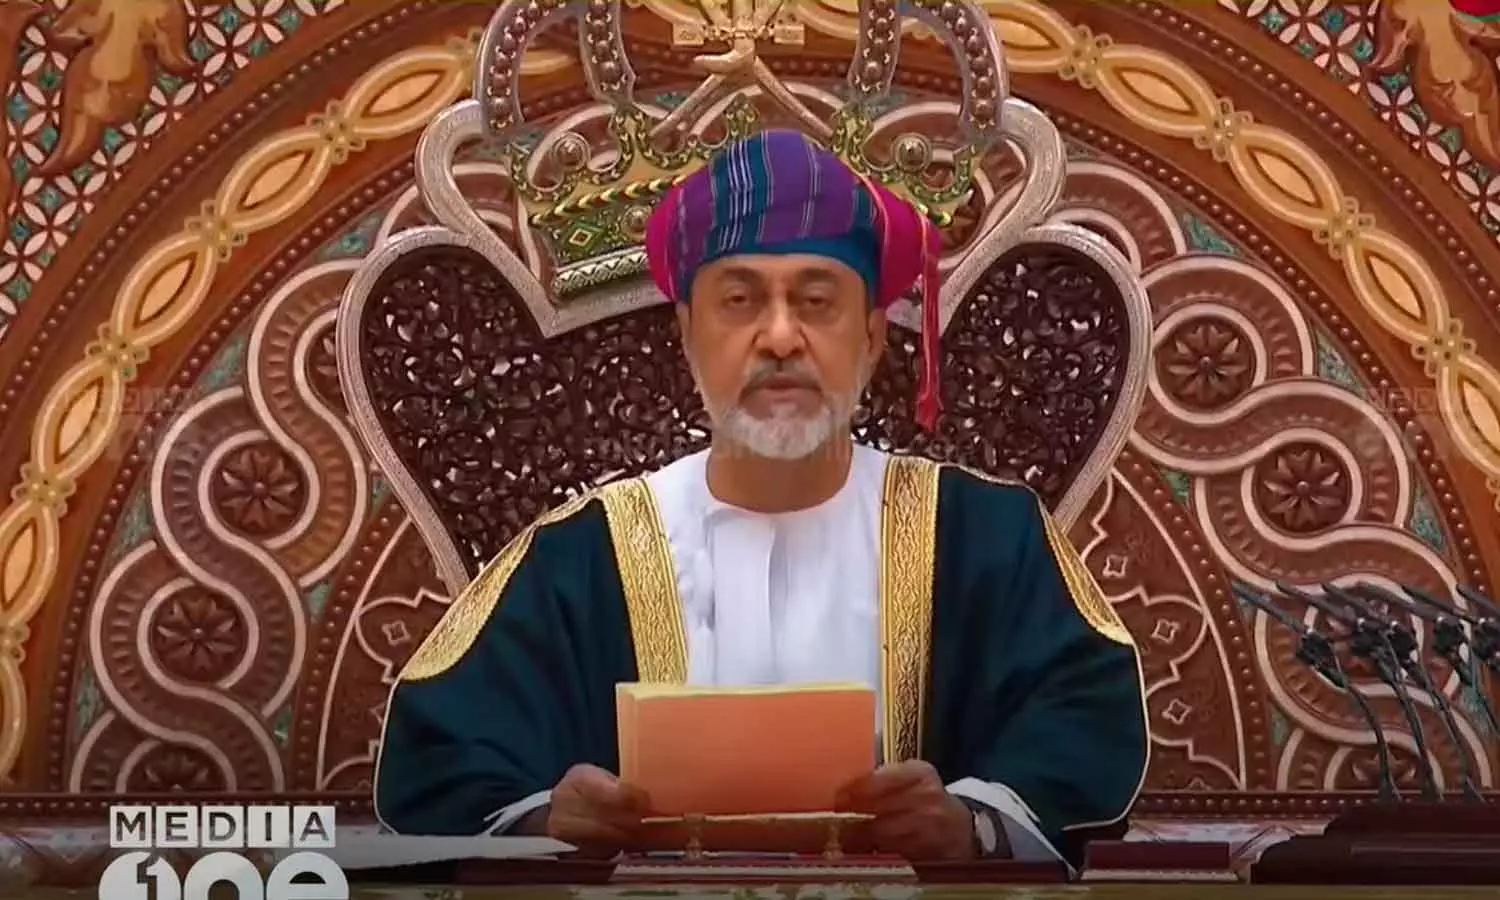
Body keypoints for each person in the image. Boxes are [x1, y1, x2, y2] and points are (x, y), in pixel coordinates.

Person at [373, 129, 1148, 869]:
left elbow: (1081, 720)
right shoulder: (580, 556)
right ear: (687, 335)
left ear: (872, 336)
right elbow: (444, 758)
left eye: (816, 301)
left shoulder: (987, 538)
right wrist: (546, 820)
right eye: (740, 301)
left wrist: (971, 823)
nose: (780, 337)